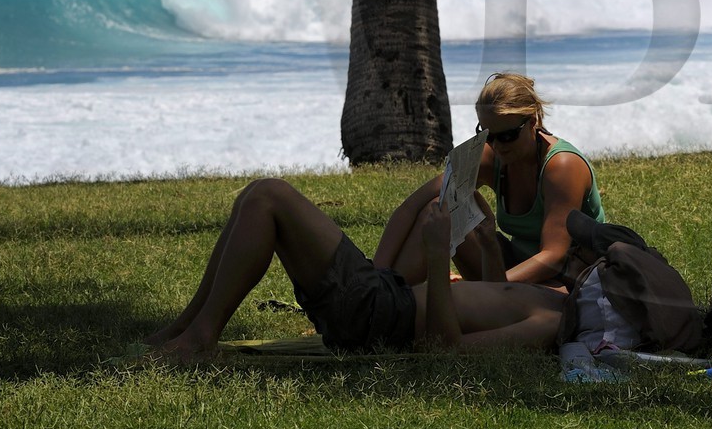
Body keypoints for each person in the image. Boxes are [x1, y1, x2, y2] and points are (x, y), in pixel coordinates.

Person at [142, 179, 565, 363]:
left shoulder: (549, 323)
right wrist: (488, 241)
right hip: (384, 296)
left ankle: (200, 337)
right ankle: (188, 326)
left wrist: (439, 258)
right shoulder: (554, 297)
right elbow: (488, 299)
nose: (590, 268)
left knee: (269, 197)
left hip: (378, 314)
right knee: (256, 194)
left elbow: (445, 351)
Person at [374, 72, 605, 290]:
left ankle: (398, 305)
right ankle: (386, 296)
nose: (497, 146)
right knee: (436, 209)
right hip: (509, 270)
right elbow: (411, 207)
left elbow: (554, 255)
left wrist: (494, 286)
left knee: (459, 302)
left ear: (532, 122)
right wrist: (376, 275)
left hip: (563, 280)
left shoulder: (562, 166)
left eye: (507, 136)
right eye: (487, 135)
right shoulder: (488, 154)